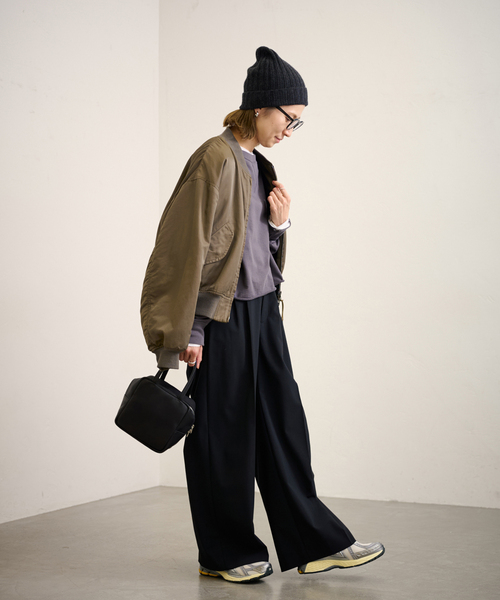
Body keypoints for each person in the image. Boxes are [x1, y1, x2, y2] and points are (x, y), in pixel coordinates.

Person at [140, 46, 385, 584]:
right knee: (222, 434)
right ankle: (224, 553)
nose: (290, 131)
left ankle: (317, 542)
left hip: (263, 314)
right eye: (288, 118)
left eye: (298, 123)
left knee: (284, 427)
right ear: (260, 106)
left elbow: (250, 251)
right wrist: (188, 329)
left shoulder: (258, 163)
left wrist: (280, 226)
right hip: (221, 320)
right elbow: (184, 247)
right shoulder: (214, 158)